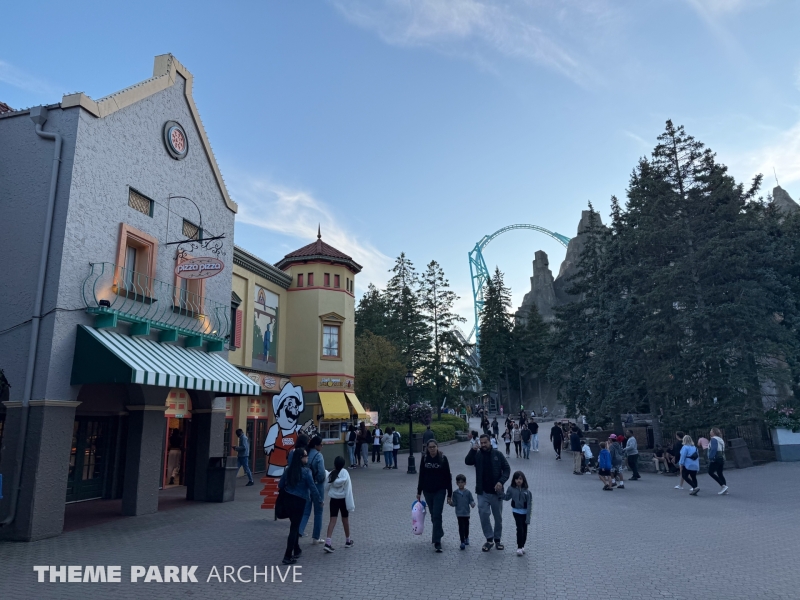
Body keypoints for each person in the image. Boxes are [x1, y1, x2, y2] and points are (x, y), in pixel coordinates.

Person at [465, 434, 511, 552]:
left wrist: (501, 482)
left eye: (485, 442)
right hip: (482, 492)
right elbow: (467, 461)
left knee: (498, 517)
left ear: (490, 442)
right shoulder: (478, 455)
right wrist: (472, 450)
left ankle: (497, 539)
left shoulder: (498, 455)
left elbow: (507, 469)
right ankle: (489, 538)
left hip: (496, 493)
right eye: (481, 443)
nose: (483, 445)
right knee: (484, 514)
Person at [278, 448, 323, 565]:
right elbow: (313, 488)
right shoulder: (306, 472)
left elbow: (280, 484)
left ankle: (297, 549)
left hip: (288, 500)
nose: (307, 457)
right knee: (294, 529)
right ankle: (287, 555)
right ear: (300, 458)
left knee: (295, 525)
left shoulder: (288, 470)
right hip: (299, 502)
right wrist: (319, 500)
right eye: (305, 456)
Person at [416, 440, 453, 552]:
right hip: (428, 491)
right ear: (427, 448)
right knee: (433, 514)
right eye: (430, 447)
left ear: (437, 447)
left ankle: (437, 541)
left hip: (440, 491)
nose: (432, 449)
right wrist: (419, 491)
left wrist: (449, 494)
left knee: (437, 514)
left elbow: (448, 477)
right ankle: (439, 531)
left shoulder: (443, 459)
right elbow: (421, 475)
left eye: (434, 447)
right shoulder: (425, 459)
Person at [323, 456, 355, 552]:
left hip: (334, 499)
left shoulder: (331, 474)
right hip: (343, 499)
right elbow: (348, 488)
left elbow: (326, 486)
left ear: (334, 464)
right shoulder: (345, 473)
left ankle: (328, 542)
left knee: (332, 520)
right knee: (345, 520)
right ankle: (348, 541)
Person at [299, 436, 326, 543]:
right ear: (316, 445)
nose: (322, 446)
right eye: (321, 444)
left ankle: (299, 531)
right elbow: (321, 473)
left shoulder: (306, 454)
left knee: (306, 512)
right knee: (318, 512)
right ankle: (316, 537)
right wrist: (320, 480)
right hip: (317, 485)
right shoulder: (319, 456)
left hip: (306, 485)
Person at [503, 471, 532, 556]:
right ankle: (519, 547)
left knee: (524, 530)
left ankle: (522, 546)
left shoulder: (527, 491)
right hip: (516, 512)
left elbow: (530, 504)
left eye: (520, 479)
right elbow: (506, 497)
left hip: (525, 512)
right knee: (520, 529)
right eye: (516, 479)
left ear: (523, 480)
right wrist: (500, 493)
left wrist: (528, 518)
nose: (518, 481)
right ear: (514, 480)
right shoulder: (511, 489)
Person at [452, 474, 476, 550]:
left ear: (465, 483)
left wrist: (472, 504)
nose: (461, 484)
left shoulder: (468, 492)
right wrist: (451, 503)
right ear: (457, 483)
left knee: (466, 526)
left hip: (466, 513)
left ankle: (466, 537)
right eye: (459, 482)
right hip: (459, 513)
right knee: (461, 527)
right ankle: (462, 541)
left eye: (462, 482)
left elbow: (471, 500)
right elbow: (454, 503)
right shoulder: (455, 493)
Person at [707, 428, 729, 495]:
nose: (710, 432)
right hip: (721, 457)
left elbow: (713, 449)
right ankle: (725, 489)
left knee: (710, 472)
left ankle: (723, 485)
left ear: (713, 432)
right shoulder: (720, 439)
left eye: (711, 431)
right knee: (720, 473)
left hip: (715, 458)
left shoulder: (714, 439)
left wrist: (710, 457)